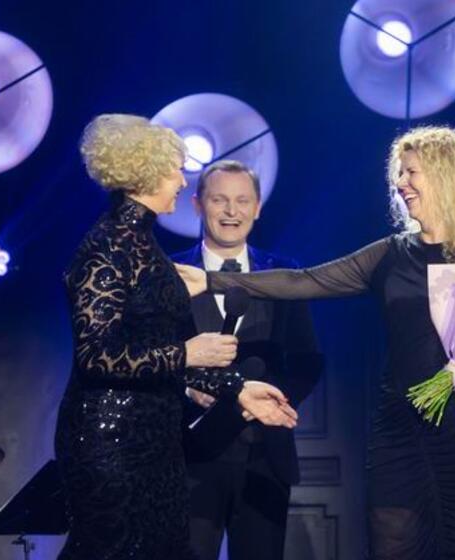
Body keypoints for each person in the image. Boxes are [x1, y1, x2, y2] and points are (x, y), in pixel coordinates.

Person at [176, 126, 455, 560]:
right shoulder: (390, 254)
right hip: (399, 429)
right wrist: (212, 280)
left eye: (411, 172)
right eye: (399, 173)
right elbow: (304, 281)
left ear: (445, 175)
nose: (400, 183)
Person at [54, 115, 297, 560]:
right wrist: (184, 353)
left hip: (159, 441)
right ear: (145, 173)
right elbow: (96, 354)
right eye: (175, 171)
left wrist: (238, 389)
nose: (182, 182)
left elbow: (167, 351)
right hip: (112, 440)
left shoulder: (146, 246)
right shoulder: (107, 246)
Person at [171, 160, 323, 560]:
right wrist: (186, 389)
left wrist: (270, 403)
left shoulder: (284, 273)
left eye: (242, 201)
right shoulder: (170, 274)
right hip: (188, 455)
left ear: (257, 207)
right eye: (219, 200)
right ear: (198, 204)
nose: (231, 211)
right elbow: (152, 359)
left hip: (263, 457)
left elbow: (307, 361)